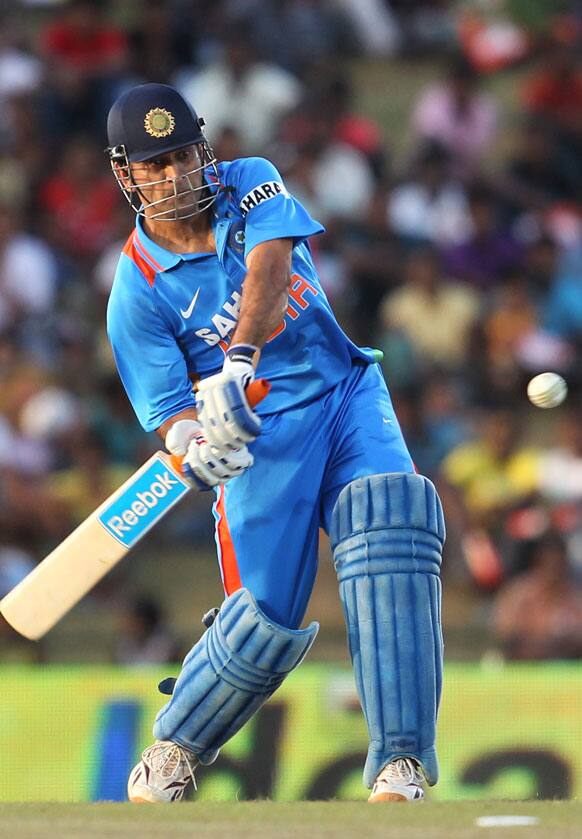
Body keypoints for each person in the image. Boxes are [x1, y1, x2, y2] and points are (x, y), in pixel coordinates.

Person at [105, 83, 445, 804]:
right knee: (262, 623)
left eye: (182, 156)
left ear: (204, 148)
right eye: (153, 165)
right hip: (263, 447)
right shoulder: (134, 294)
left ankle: (402, 762)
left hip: (343, 392)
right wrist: (200, 444)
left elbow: (273, 262)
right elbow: (171, 415)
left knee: (392, 522)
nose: (174, 177)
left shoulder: (250, 179)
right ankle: (173, 750)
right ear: (126, 174)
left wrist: (236, 362)